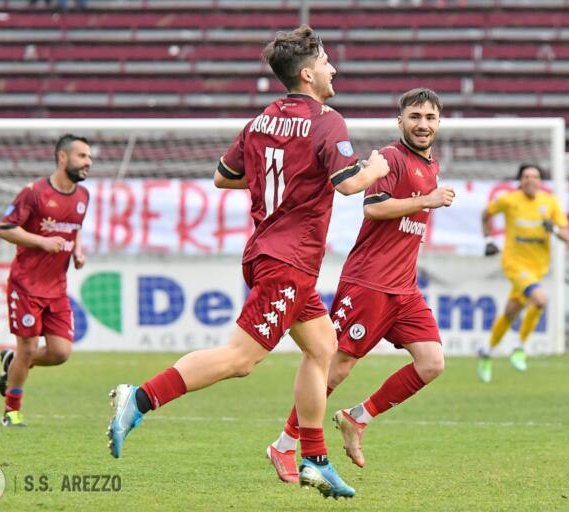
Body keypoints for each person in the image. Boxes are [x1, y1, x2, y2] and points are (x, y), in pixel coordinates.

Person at [105, 25, 389, 499]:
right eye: (325, 62)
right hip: (289, 260)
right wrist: (375, 170)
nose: (332, 68)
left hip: (265, 251)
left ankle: (311, 458)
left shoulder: (260, 121)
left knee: (323, 346)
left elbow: (223, 177)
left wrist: (282, 179)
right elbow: (347, 184)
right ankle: (138, 398)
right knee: (240, 360)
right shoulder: (327, 120)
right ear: (307, 73)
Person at [266, 87, 454, 482]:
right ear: (399, 121)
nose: (423, 125)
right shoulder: (390, 158)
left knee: (432, 362)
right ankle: (284, 444)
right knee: (335, 369)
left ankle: (357, 417)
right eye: (415, 117)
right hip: (368, 283)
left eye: (430, 118)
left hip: (404, 288)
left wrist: (428, 197)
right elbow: (373, 206)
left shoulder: (430, 166)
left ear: (439, 122)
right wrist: (427, 201)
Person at [0, 134, 91, 427]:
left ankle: (13, 363)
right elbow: (5, 228)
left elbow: (74, 230)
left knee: (61, 352)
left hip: (56, 289)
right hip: (25, 285)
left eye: (89, 157)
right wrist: (41, 241)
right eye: (82, 156)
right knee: (26, 349)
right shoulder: (34, 193)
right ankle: (11, 411)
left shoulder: (83, 197)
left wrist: (77, 250)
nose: (88, 162)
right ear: (63, 158)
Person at [477, 164, 569, 383]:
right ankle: (520, 347)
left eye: (535, 176)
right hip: (514, 264)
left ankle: (487, 351)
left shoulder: (550, 203)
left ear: (540, 181)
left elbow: (567, 235)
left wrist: (554, 230)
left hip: (537, 268)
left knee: (511, 311)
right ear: (520, 180)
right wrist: (489, 239)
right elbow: (486, 213)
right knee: (540, 300)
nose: (530, 180)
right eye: (526, 176)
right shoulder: (510, 200)